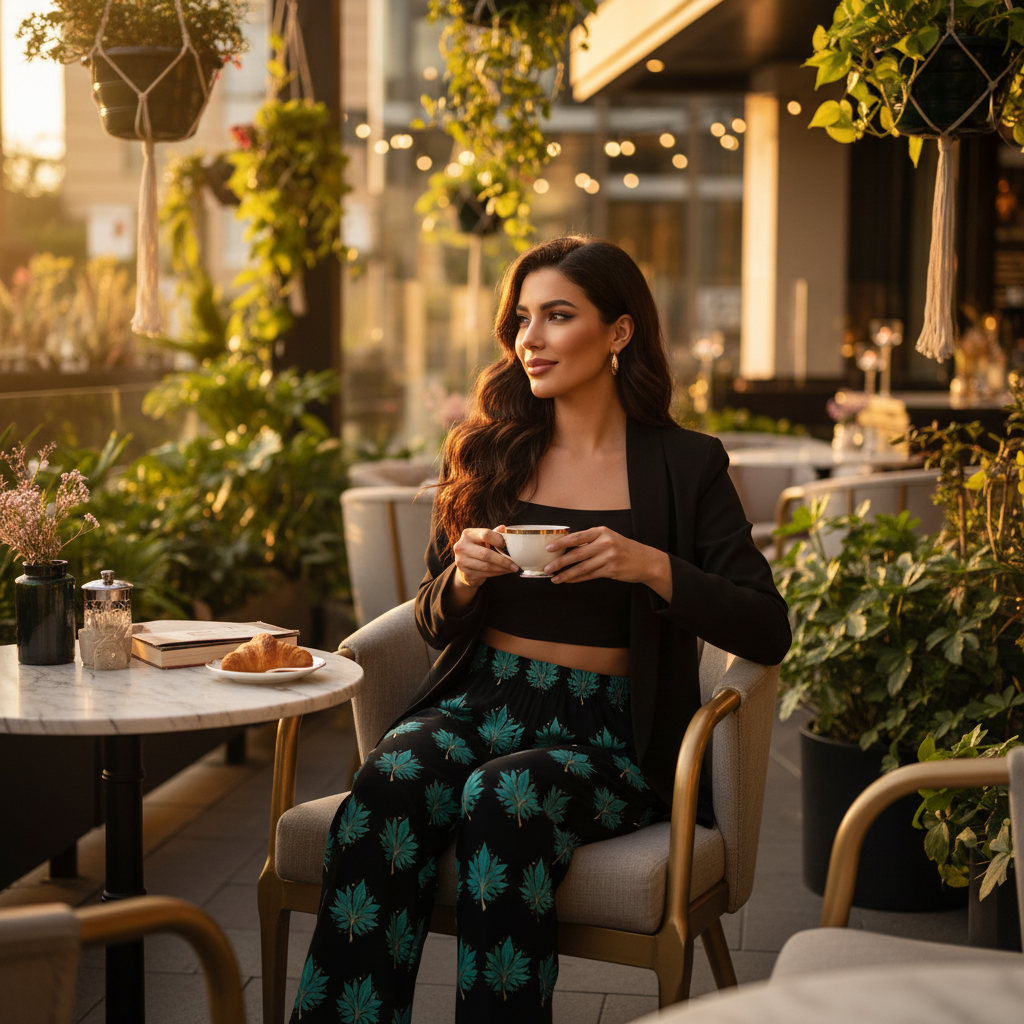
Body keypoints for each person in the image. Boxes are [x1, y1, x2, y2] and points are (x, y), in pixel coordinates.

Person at [291, 236, 791, 1024]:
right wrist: (464, 576)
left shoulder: (685, 464)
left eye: (558, 316)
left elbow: (767, 627)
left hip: (604, 729)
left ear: (619, 332)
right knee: (389, 781)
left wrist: (649, 566)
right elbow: (428, 616)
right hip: (479, 699)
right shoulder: (487, 452)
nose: (532, 338)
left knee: (504, 796)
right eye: (523, 319)